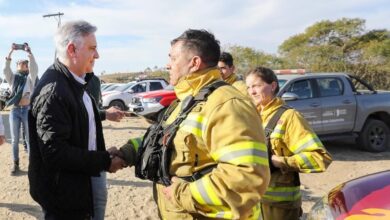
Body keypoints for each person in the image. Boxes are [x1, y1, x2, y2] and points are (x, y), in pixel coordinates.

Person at [117, 29, 270, 219]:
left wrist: (183, 194)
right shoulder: (186, 101)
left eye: (173, 58)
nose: (168, 65)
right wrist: (126, 153)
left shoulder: (226, 104)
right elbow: (165, 139)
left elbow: (247, 175)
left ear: (194, 63)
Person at [28, 20, 126, 220]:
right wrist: (104, 160)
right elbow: (55, 153)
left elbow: (79, 124)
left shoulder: (76, 82)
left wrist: (102, 154)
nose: (97, 55)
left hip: (84, 179)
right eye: (92, 48)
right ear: (72, 49)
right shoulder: (54, 91)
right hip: (64, 194)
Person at [245, 66, 332, 220]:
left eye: (257, 86)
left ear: (272, 86)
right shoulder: (252, 115)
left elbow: (320, 158)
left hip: (280, 207)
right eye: (249, 87)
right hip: (255, 202)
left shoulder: (289, 117)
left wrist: (280, 161)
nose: (252, 92)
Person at [3, 43, 38, 175]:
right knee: (15, 139)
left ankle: (32, 165)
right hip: (15, 110)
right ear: (17, 66)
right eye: (20, 63)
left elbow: (34, 67)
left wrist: (29, 52)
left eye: (25, 63)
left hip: (27, 109)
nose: (23, 64)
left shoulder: (29, 78)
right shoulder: (13, 78)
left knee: (29, 139)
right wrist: (11, 51)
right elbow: (6, 68)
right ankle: (15, 164)